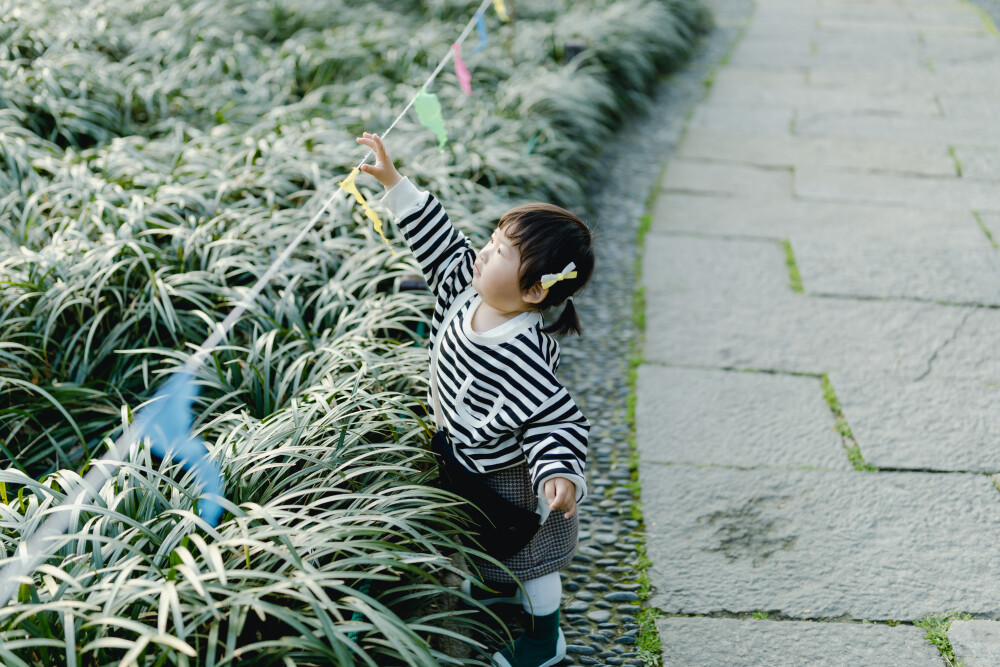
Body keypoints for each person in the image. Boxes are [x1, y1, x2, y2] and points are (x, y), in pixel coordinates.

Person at [355, 132, 593, 667]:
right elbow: (437, 240)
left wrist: (558, 472)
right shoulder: (468, 286)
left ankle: (544, 639)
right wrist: (395, 183)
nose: (482, 253)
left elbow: (554, 420)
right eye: (491, 241)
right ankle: (496, 584)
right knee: (484, 542)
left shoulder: (524, 354)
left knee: (531, 560)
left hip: (511, 477)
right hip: (463, 452)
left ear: (533, 292)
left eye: (499, 253)